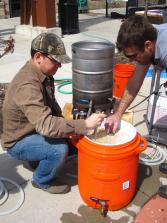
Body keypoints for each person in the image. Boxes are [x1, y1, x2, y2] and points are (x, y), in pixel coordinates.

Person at [1, 32, 106, 194]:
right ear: (38, 57)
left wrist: (70, 129)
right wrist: (84, 124)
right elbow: (47, 126)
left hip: (32, 130)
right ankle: (41, 179)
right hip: (17, 141)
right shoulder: (27, 85)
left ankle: (36, 158)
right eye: (56, 62)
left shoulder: (43, 74)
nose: (60, 66)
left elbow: (52, 106)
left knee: (72, 142)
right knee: (59, 150)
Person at [104, 15, 167, 198]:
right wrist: (117, 114)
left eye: (133, 56)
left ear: (148, 45)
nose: (132, 61)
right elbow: (134, 83)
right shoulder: (148, 41)